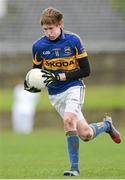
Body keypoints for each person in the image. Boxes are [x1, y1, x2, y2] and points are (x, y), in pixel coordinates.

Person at [24, 7, 122, 176]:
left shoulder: (73, 41)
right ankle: (106, 125)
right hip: (55, 94)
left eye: (51, 28)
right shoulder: (38, 46)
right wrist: (31, 84)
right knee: (85, 134)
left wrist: (62, 76)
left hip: (74, 87)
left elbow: (86, 70)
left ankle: (74, 168)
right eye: (45, 29)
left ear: (60, 24)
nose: (48, 32)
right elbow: (37, 73)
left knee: (68, 120)